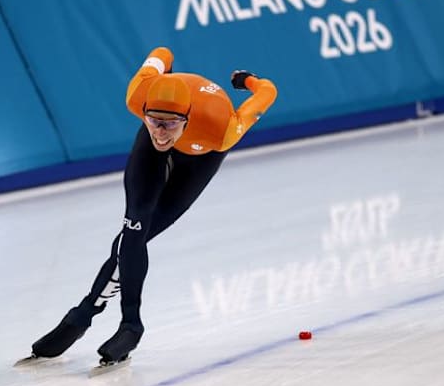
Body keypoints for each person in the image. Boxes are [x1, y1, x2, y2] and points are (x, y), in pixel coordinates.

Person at [25, 46, 277, 365]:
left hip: (201, 157)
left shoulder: (222, 128)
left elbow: (268, 91)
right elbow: (162, 52)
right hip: (156, 143)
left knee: (137, 235)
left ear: (186, 118)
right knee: (134, 226)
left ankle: (97, 316)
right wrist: (163, 77)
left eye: (170, 124)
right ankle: (112, 320)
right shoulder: (138, 93)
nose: (160, 132)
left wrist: (247, 80)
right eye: (153, 121)